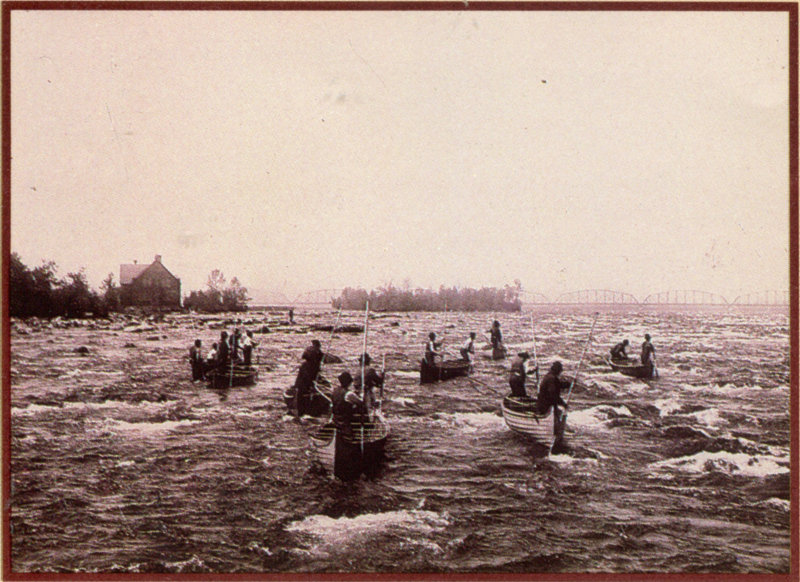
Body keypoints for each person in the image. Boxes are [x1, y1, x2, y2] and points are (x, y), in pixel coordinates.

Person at [331, 371, 367, 481]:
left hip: (335, 421)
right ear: (348, 382)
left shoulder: (335, 391)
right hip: (345, 423)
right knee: (351, 444)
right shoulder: (349, 394)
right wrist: (361, 395)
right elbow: (361, 403)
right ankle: (351, 470)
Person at [293, 339, 325, 417]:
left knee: (303, 394)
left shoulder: (310, 357)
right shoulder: (311, 363)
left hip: (303, 382)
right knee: (304, 394)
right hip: (304, 383)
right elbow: (308, 377)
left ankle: (302, 412)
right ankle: (304, 412)